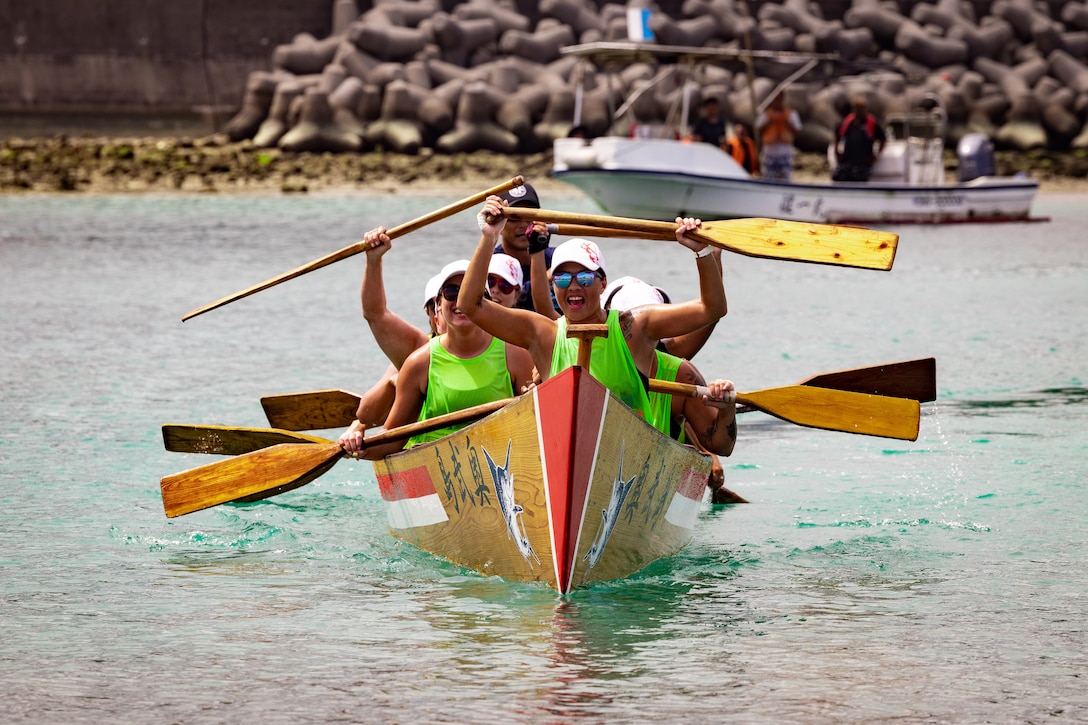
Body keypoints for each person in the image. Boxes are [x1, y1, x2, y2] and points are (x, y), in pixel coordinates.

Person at [460, 199, 735, 456]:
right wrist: (488, 237)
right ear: (553, 286)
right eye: (563, 278)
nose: (575, 286)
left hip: (631, 457)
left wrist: (703, 252)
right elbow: (471, 306)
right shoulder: (543, 334)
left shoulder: (636, 327)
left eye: (585, 276)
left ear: (603, 284)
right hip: (564, 456)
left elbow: (711, 309)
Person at [342, 259, 536, 460]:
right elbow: (393, 437)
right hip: (434, 462)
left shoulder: (516, 354)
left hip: (499, 458)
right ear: (438, 307)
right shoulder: (419, 362)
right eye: (452, 292)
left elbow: (534, 425)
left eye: (470, 292)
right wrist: (358, 445)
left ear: (485, 302)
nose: (461, 300)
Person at [491, 181, 554, 312]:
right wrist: (547, 277)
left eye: (529, 215)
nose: (524, 224)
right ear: (499, 223)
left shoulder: (558, 259)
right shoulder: (490, 267)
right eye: (514, 218)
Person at [833, 96, 887, 182]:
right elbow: (837, 135)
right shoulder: (848, 122)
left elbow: (883, 139)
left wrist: (875, 156)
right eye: (857, 108)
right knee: (837, 178)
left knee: (859, 181)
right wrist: (836, 152)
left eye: (861, 108)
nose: (859, 111)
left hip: (863, 162)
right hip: (846, 160)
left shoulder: (871, 123)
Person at [755, 93, 802, 181]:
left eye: (779, 99)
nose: (777, 102)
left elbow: (798, 130)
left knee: (785, 178)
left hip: (785, 152)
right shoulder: (766, 114)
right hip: (769, 152)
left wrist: (788, 124)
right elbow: (758, 129)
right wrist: (769, 122)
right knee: (768, 178)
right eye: (775, 99)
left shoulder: (791, 114)